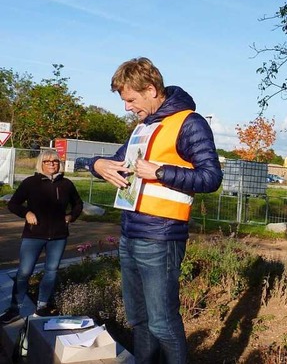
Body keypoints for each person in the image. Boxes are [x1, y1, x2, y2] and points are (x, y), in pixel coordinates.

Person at [88, 57, 223, 364]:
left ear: (150, 90)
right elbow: (117, 163)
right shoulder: (142, 128)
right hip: (129, 234)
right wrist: (96, 164)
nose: (127, 107)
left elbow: (211, 178)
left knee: (162, 323)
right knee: (138, 320)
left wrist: (160, 172)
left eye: (131, 100)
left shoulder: (190, 123)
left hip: (161, 238)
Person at [0, 149, 83, 324]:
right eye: (47, 161)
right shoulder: (30, 183)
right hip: (33, 235)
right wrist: (26, 213)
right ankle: (15, 308)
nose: (52, 163)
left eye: (55, 161)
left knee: (51, 271)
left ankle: (42, 306)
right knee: (24, 272)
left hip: (59, 237)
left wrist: (71, 217)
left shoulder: (67, 184)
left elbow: (78, 203)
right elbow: (13, 204)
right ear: (41, 163)